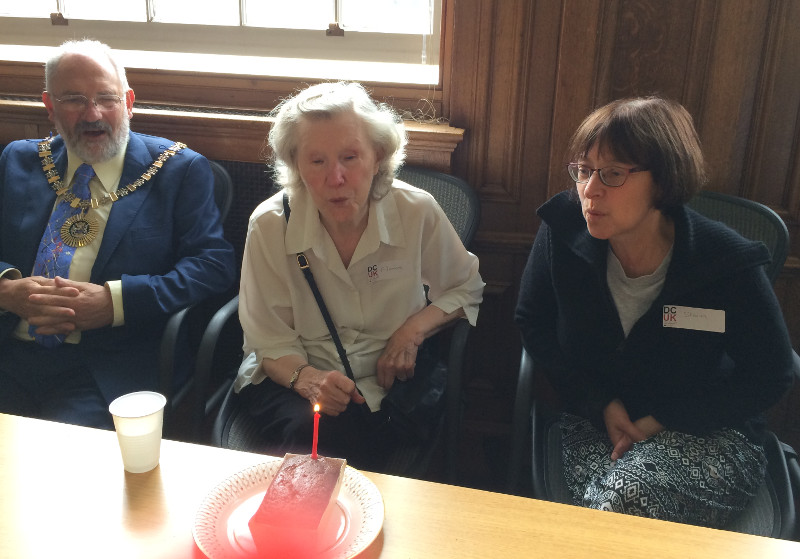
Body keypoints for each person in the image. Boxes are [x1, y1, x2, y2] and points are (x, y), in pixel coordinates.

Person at [514, 96, 794, 528]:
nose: (589, 190)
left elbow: (772, 373)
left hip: (706, 434)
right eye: (584, 170)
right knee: (615, 514)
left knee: (617, 504)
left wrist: (662, 421)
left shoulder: (724, 262)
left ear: (663, 181)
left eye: (613, 174)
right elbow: (533, 321)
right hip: (597, 425)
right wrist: (600, 403)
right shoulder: (563, 231)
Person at [235, 81, 484, 470]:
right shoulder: (269, 225)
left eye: (350, 157)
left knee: (362, 445)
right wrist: (307, 378)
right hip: (294, 378)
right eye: (317, 161)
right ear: (296, 165)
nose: (336, 178)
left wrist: (412, 331)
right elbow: (268, 339)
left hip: (386, 383)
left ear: (378, 156)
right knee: (314, 439)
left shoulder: (416, 211)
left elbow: (465, 286)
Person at [0, 39, 236, 430]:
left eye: (106, 98)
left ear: (128, 102)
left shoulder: (177, 170)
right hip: (10, 348)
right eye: (74, 100)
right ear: (49, 106)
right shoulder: (19, 160)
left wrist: (115, 303)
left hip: (107, 364)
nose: (93, 114)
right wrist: (7, 290)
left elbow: (212, 265)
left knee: (63, 455)